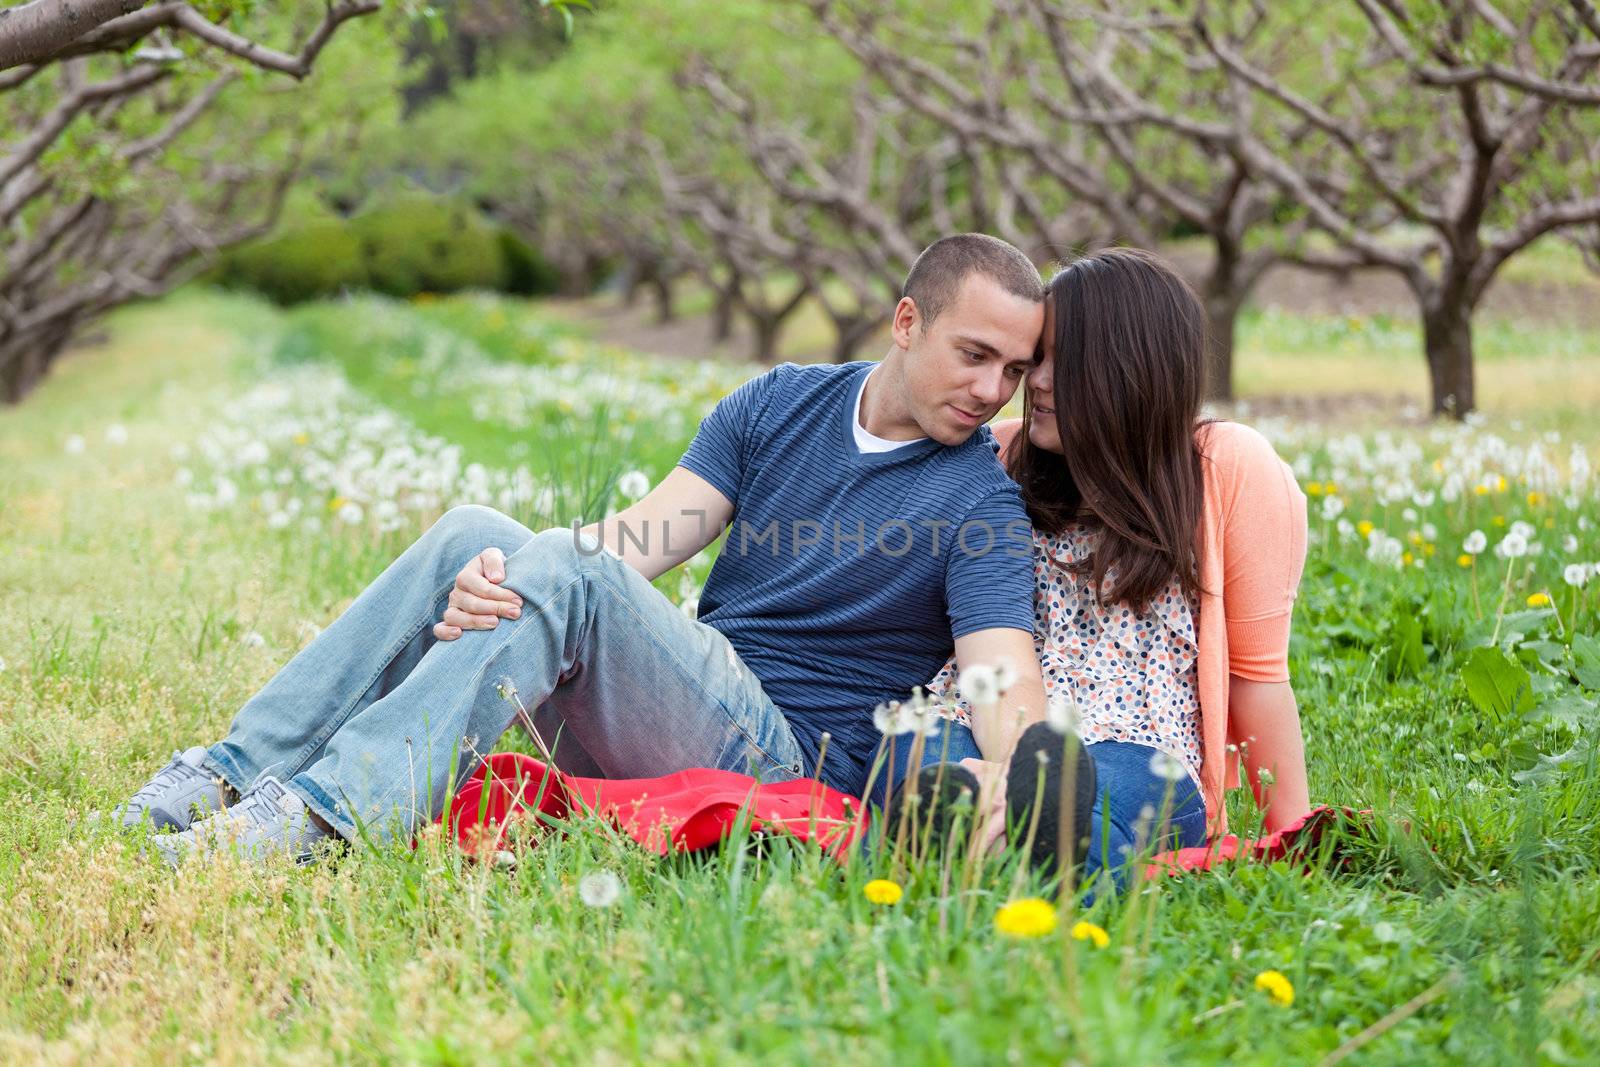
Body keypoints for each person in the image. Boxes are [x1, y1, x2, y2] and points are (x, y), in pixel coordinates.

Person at [114, 233, 1069, 865]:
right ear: (907, 323)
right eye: (974, 355)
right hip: (680, 696)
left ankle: (324, 816)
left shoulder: (978, 502)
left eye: (1015, 371)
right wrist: (501, 583)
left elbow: (999, 678)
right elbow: (636, 542)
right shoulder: (780, 402)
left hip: (784, 756)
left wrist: (1019, 771)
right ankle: (233, 770)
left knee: (558, 565)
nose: (993, 390)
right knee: (475, 534)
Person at [924, 248, 1310, 886]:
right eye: (1036, 359)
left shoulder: (1223, 467)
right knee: (912, 764)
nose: (1036, 381)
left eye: (1063, 362)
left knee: (1097, 807)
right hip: (976, 717)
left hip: (1133, 743)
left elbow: (1257, 673)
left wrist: (1293, 838)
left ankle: (994, 852)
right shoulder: (997, 455)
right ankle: (1009, 846)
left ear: (1131, 369)